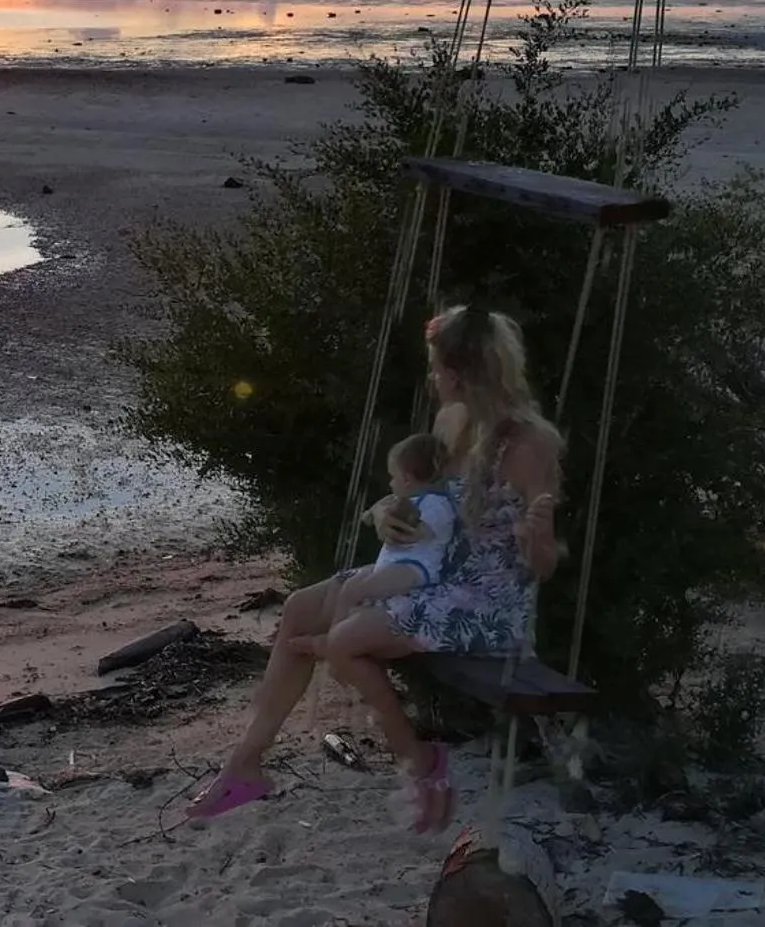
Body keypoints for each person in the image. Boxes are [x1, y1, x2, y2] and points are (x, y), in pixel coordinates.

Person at [186, 306, 565, 833]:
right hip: (430, 573)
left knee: (343, 640)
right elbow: (422, 500)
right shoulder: (451, 423)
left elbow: (542, 567)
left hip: (485, 601)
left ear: (459, 373)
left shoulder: (528, 444)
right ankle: (246, 765)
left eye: (435, 369)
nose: (431, 379)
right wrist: (388, 513)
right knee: (299, 608)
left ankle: (419, 761)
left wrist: (536, 537)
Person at [328, 433, 456, 619]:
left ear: (405, 479)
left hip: (415, 567)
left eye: (392, 477)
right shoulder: (405, 499)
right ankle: (336, 630)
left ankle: (338, 633)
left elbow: (422, 532)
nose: (390, 483)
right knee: (349, 587)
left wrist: (407, 520)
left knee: (361, 591)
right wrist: (371, 514)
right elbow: (372, 513)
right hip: (393, 563)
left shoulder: (437, 504)